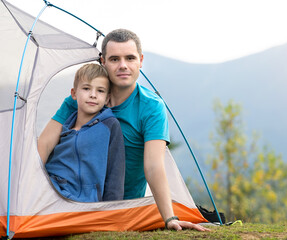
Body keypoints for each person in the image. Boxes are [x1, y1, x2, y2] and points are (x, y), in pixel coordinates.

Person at [38, 29, 209, 231]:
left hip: (120, 207)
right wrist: (32, 192)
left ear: (140, 60)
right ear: (103, 61)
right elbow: (45, 143)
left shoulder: (151, 107)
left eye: (130, 58)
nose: (123, 66)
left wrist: (170, 218)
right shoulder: (84, 98)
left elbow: (153, 166)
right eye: (114, 59)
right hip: (67, 197)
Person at [38, 63, 125, 202]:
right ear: (74, 93)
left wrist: (111, 212)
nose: (93, 95)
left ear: (107, 98)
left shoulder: (109, 125)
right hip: (50, 192)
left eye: (100, 91)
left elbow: (115, 173)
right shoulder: (65, 125)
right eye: (86, 88)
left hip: (83, 202)